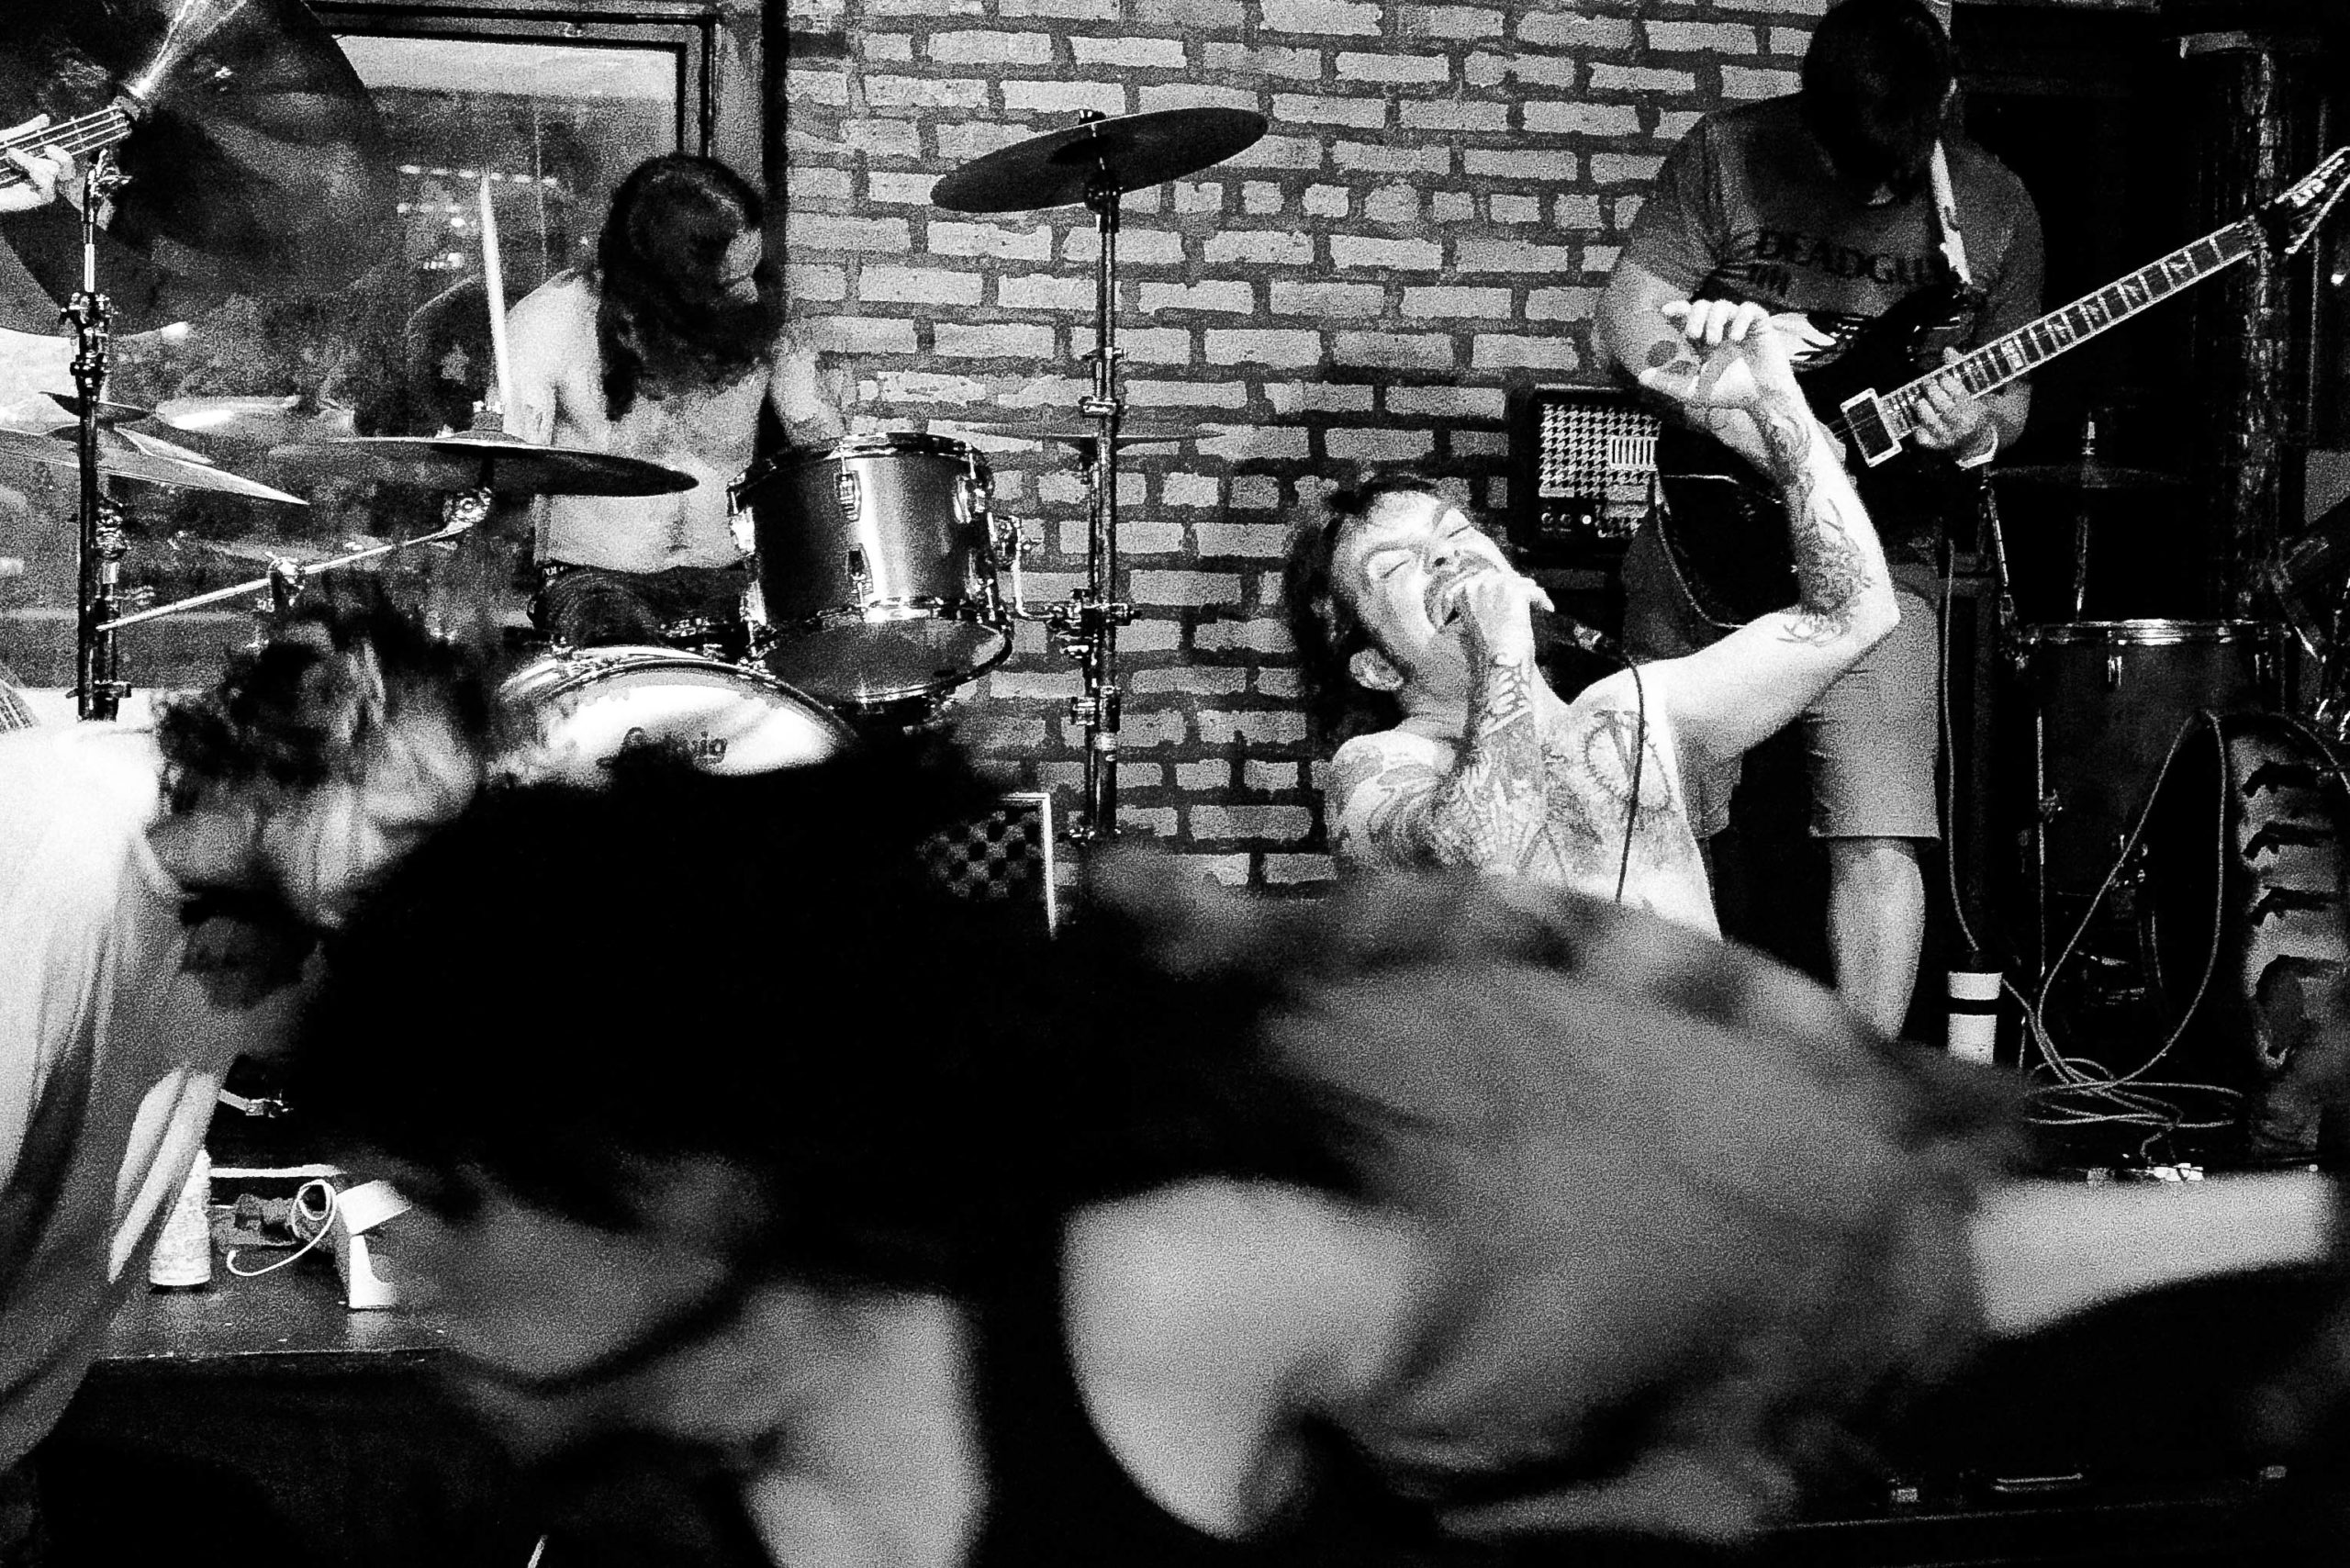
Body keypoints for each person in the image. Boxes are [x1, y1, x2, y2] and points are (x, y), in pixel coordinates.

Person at [283, 746, 2348, 1566]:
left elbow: (1873, 1275)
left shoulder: (1160, 1283)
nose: (415, 1271)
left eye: (450, 1198)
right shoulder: (667, 1481)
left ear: (678, 1174)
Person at [0, 593, 493, 1546]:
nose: (415, 880)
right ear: (289, 765)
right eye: (399, 832)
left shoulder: (242, 894)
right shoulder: (57, 856)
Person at [1597, 0, 2043, 1030]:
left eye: (1897, 162)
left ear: (1945, 101)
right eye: (1850, 159)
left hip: (1883, 547)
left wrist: (1972, 426)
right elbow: (1626, 320)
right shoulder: (1728, 156)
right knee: (1660, 811)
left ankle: (1861, 1089)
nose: (1875, 188)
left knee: (1880, 830)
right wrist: (1776, 441)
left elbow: (2012, 401)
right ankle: (1672, 1065)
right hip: (1712, 529)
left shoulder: (1993, 204)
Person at [1289, 298, 1897, 936]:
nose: (1444, 556)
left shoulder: (1630, 713)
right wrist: (1502, 648)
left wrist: (1774, 399)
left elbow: (1853, 613)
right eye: (1395, 567)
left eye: (1455, 533)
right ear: (1377, 667)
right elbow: (1487, 860)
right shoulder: (1375, 767)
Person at [498, 153, 849, 650]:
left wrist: (818, 402)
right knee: (631, 662)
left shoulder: (758, 322)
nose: (751, 295)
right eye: (728, 283)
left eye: (754, 272)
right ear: (667, 281)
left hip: (733, 580)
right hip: (596, 583)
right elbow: (504, 469)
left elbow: (826, 452)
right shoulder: (553, 320)